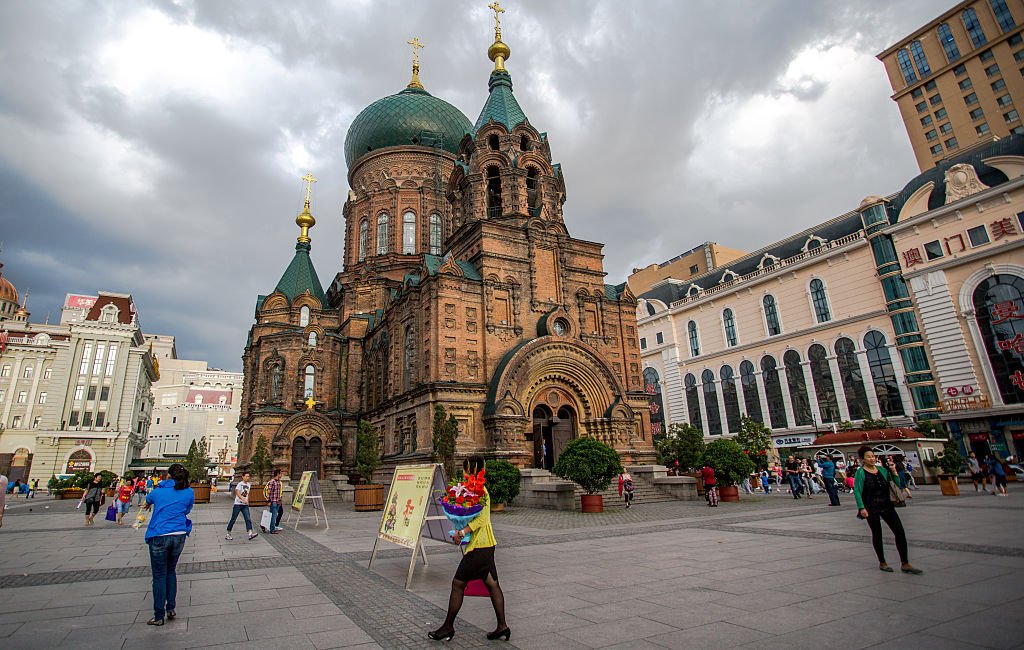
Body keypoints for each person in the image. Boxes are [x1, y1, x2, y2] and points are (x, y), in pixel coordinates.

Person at [429, 455, 508, 642]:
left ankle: (448, 627)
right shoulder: (472, 491)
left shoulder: (481, 491)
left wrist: (463, 531)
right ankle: (502, 627)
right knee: (492, 584)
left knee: (458, 584)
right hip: (486, 545)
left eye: (465, 469)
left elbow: (482, 519)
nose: (463, 472)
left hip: (480, 547)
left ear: (471, 469)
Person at [853, 445, 922, 575]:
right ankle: (882, 562)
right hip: (871, 507)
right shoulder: (860, 472)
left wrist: (894, 471)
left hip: (886, 505)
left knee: (899, 532)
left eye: (873, 456)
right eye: (868, 457)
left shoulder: (882, 470)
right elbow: (857, 490)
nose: (872, 459)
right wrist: (861, 507)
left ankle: (905, 563)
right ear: (862, 459)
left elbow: (896, 483)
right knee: (877, 534)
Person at [143, 463, 194, 626]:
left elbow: (148, 499)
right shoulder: (189, 492)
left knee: (159, 575)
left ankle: (158, 616)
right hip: (179, 535)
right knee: (171, 570)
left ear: (168, 476)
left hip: (159, 535)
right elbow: (187, 510)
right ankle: (170, 608)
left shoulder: (159, 491)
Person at [226, 471, 258, 541]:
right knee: (233, 519)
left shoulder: (249, 485)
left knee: (248, 518)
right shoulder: (240, 484)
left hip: (245, 505)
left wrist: (247, 501)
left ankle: (250, 533)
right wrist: (242, 498)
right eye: (246, 476)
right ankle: (228, 533)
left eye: (248, 476)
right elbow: (237, 492)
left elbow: (247, 494)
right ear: (243, 477)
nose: (247, 478)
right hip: (238, 504)